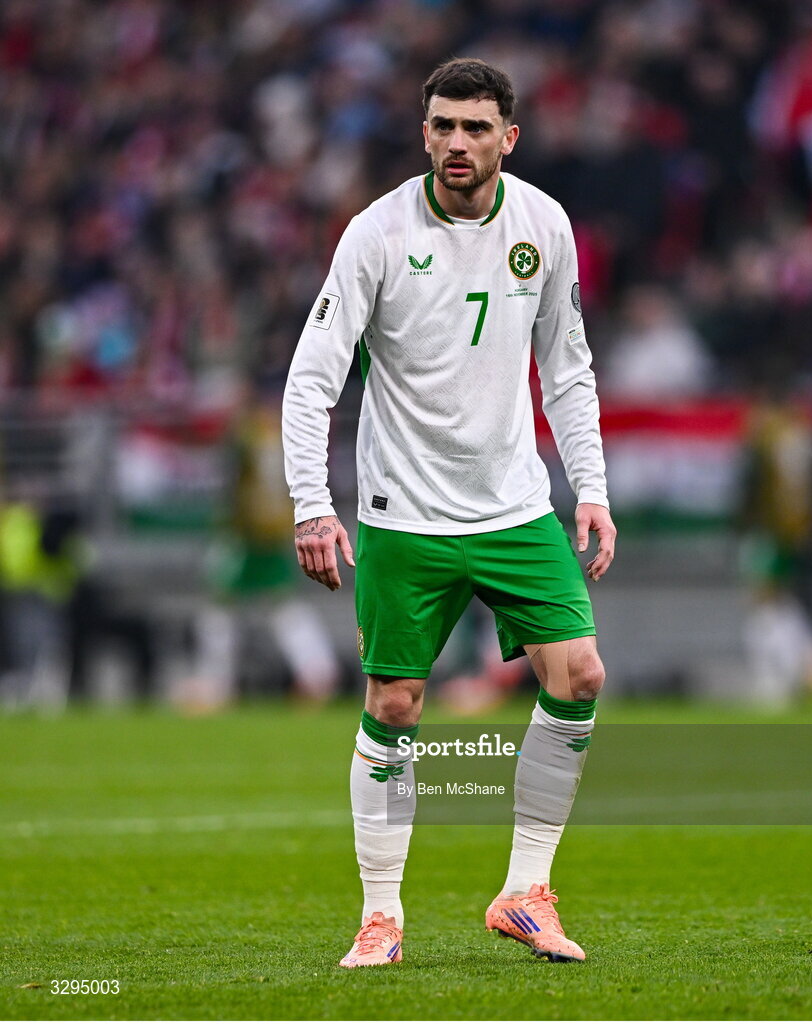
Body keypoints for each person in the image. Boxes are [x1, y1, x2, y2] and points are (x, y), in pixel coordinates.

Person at [282, 58, 616, 967]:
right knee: (393, 702)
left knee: (578, 675)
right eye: (442, 126)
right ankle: (381, 916)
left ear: (509, 136)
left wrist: (589, 486)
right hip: (403, 512)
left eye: (475, 128)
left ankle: (525, 891)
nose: (456, 143)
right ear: (422, 132)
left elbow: (569, 364)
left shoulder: (543, 224)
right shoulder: (376, 233)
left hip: (512, 506)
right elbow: (312, 379)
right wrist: (314, 506)